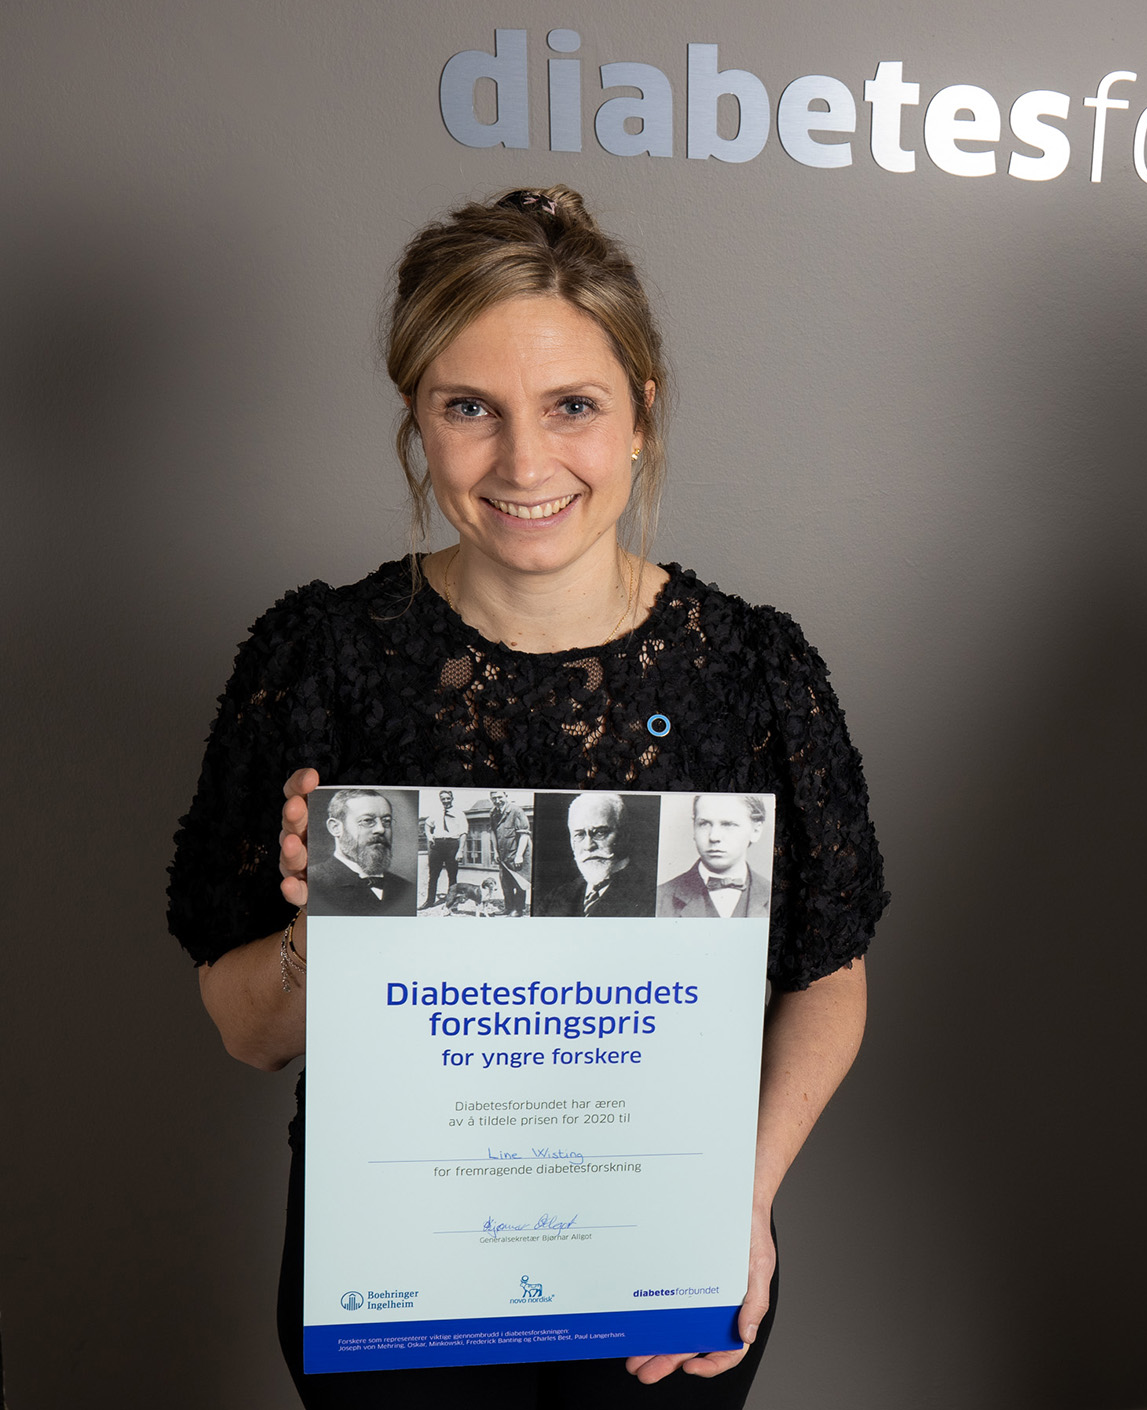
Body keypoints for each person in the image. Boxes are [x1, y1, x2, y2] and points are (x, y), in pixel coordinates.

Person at [169, 186, 888, 1407]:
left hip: (660, 1261)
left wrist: (744, 1197)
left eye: (572, 406)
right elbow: (248, 1033)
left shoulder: (753, 671)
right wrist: (321, 937)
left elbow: (829, 976)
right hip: (394, 1269)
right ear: (417, 416)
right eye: (469, 408)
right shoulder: (320, 656)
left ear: (641, 413)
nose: (523, 462)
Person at [539, 792, 654, 918]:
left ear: (624, 835)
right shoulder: (555, 898)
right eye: (579, 834)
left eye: (600, 833)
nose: (588, 846)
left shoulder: (652, 894)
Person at [304, 788, 415, 917]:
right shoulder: (312, 883)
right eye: (367, 821)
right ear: (335, 828)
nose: (381, 829)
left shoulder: (406, 888)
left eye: (386, 821)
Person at [660, 795, 770, 919]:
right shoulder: (660, 898)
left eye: (728, 824)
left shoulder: (774, 895)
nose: (714, 837)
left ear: (756, 831)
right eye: (704, 824)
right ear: (694, 828)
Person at [490, 788, 531, 917]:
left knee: (519, 883)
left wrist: (519, 855)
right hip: (503, 856)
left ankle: (518, 909)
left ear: (506, 796)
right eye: (494, 798)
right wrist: (495, 852)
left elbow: (524, 835)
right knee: (506, 883)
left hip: (517, 854)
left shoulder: (516, 811)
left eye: (500, 797)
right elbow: (493, 833)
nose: (497, 801)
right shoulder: (493, 813)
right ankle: (508, 908)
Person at [422, 789, 466, 905]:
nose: (446, 801)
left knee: (452, 875)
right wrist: (429, 836)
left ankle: (451, 902)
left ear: (452, 798)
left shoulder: (459, 813)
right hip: (437, 845)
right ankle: (429, 901)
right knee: (433, 874)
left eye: (448, 798)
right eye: (443, 799)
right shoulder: (436, 812)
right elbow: (427, 824)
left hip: (452, 845)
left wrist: (460, 850)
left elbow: (463, 833)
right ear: (440, 800)